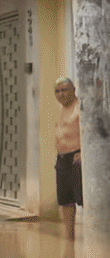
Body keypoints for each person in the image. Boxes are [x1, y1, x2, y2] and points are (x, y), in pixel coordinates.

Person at [54, 77, 82, 223]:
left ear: (73, 90)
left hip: (77, 159)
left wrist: (83, 153)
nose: (61, 94)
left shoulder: (80, 108)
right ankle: (69, 240)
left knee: (83, 198)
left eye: (64, 90)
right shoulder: (61, 110)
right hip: (62, 159)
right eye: (57, 91)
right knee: (66, 201)